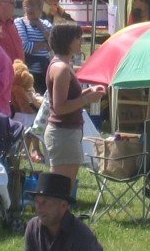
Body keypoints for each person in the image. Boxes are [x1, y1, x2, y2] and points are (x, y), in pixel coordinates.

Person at [45, 22, 105, 185]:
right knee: (61, 187)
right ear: (67, 41)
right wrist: (86, 100)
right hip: (63, 133)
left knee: (64, 186)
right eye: (78, 38)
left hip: (67, 132)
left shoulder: (63, 65)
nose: (81, 42)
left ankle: (61, 210)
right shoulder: (62, 69)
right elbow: (59, 107)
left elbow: (68, 97)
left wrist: (89, 92)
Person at [14, 0, 53, 94]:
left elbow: (53, 45)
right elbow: (26, 47)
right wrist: (45, 44)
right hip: (28, 72)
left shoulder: (46, 24)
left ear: (40, 8)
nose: (29, 9)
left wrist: (42, 29)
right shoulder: (20, 22)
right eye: (27, 6)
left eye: (33, 6)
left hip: (45, 72)